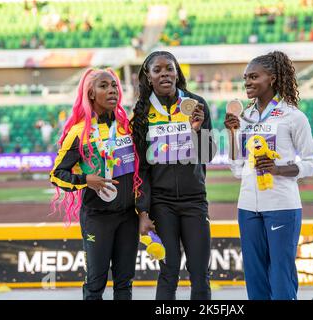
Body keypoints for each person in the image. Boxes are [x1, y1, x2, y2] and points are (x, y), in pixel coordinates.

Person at [224, 51, 313, 300]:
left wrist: (279, 169)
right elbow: (236, 168)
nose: (247, 82)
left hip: (281, 205)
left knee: (280, 274)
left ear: (273, 79)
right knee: (254, 276)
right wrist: (232, 134)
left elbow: (311, 163)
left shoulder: (293, 116)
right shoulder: (245, 117)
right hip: (247, 206)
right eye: (245, 78)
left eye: (254, 77)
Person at [49, 68, 142, 300]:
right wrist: (85, 181)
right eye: (104, 86)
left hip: (128, 216)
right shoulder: (78, 132)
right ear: (90, 93)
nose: (112, 90)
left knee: (124, 284)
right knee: (95, 284)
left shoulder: (126, 127)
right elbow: (56, 174)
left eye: (114, 86)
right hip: (97, 217)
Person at [130, 51, 216, 300]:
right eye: (158, 70)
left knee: (200, 272)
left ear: (177, 72)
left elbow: (208, 154)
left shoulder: (196, 104)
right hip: (161, 204)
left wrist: (199, 131)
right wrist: (143, 212)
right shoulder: (143, 113)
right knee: (169, 271)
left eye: (170, 68)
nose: (165, 73)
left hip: (194, 201)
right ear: (148, 77)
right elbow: (141, 170)